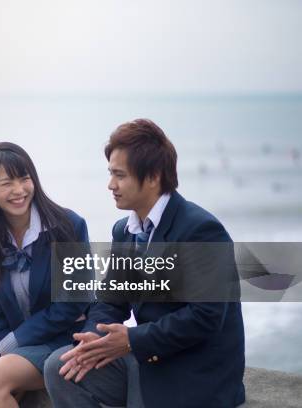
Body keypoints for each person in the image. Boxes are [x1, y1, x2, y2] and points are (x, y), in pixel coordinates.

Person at [44, 119, 246, 407]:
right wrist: (92, 338)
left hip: (194, 372)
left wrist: (132, 340)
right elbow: (111, 300)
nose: (111, 185)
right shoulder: (124, 231)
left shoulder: (201, 230)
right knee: (60, 368)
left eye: (120, 175)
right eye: (110, 174)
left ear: (152, 176)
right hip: (150, 357)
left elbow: (206, 317)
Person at [0, 142, 90, 408]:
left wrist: (15, 341)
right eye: (6, 183)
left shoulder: (68, 226)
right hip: (18, 351)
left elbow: (73, 304)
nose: (19, 190)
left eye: (24, 178)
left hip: (65, 340)